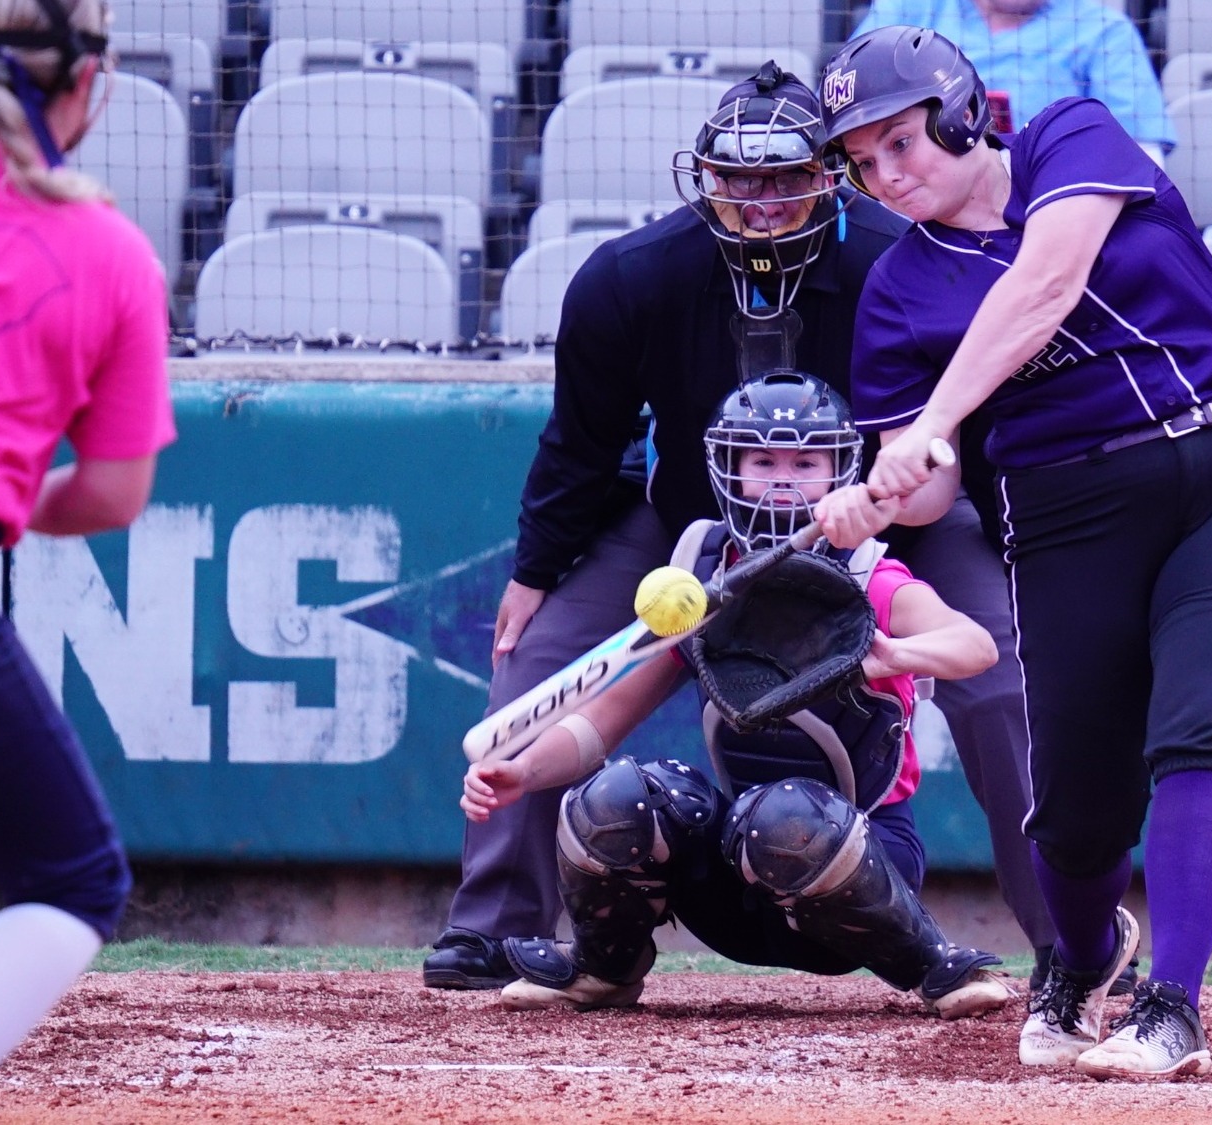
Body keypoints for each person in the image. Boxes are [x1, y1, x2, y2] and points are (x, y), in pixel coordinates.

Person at [425, 62, 1066, 994]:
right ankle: (492, 929)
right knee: (540, 658)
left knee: (1003, 681)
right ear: (706, 178)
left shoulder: (904, 258)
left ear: (828, 170)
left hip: (897, 516)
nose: (761, 203)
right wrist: (537, 569)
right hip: (691, 528)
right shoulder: (629, 277)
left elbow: (981, 430)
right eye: (739, 181)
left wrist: (978, 545)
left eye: (783, 179)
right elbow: (581, 442)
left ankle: (1069, 939)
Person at [811, 27, 1212, 1081]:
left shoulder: (1068, 140)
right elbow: (939, 482)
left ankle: (1170, 1007)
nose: (885, 176)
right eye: (863, 162)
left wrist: (934, 420)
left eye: (900, 143)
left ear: (960, 113)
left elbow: (1042, 284)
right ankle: (1085, 957)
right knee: (1078, 814)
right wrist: (880, 497)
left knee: (1197, 736)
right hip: (1064, 520)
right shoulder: (897, 290)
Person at [460, 372, 1013, 1020]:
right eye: (763, 461)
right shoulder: (706, 580)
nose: (783, 480)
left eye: (805, 462)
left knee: (786, 814)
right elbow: (602, 723)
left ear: (839, 471)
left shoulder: (870, 573)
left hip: (859, 869)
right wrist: (521, 771)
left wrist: (893, 656)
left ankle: (929, 963)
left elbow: (976, 644)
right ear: (730, 469)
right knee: (614, 797)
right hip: (742, 868)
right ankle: (604, 967)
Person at [0, 0, 175, 1074]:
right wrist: (18, 498)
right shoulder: (104, 249)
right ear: (86, 84)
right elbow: (107, 495)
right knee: (72, 878)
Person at [852, 0, 1174, 161]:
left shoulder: (1103, 28)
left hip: (1050, 213)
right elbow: (848, 98)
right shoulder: (912, 7)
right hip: (910, 203)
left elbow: (1144, 159)